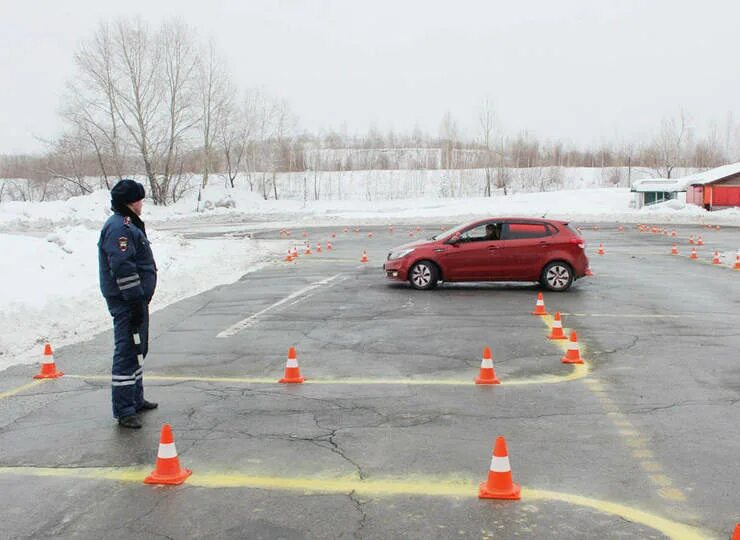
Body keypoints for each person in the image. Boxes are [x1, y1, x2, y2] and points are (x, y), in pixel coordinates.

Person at [98, 179, 158, 428]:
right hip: (127, 301)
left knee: (137, 349)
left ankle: (135, 399)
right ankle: (124, 410)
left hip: (136, 299)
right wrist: (134, 300)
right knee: (126, 352)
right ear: (130, 202)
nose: (142, 204)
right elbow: (122, 266)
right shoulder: (119, 228)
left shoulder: (129, 224)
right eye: (139, 199)